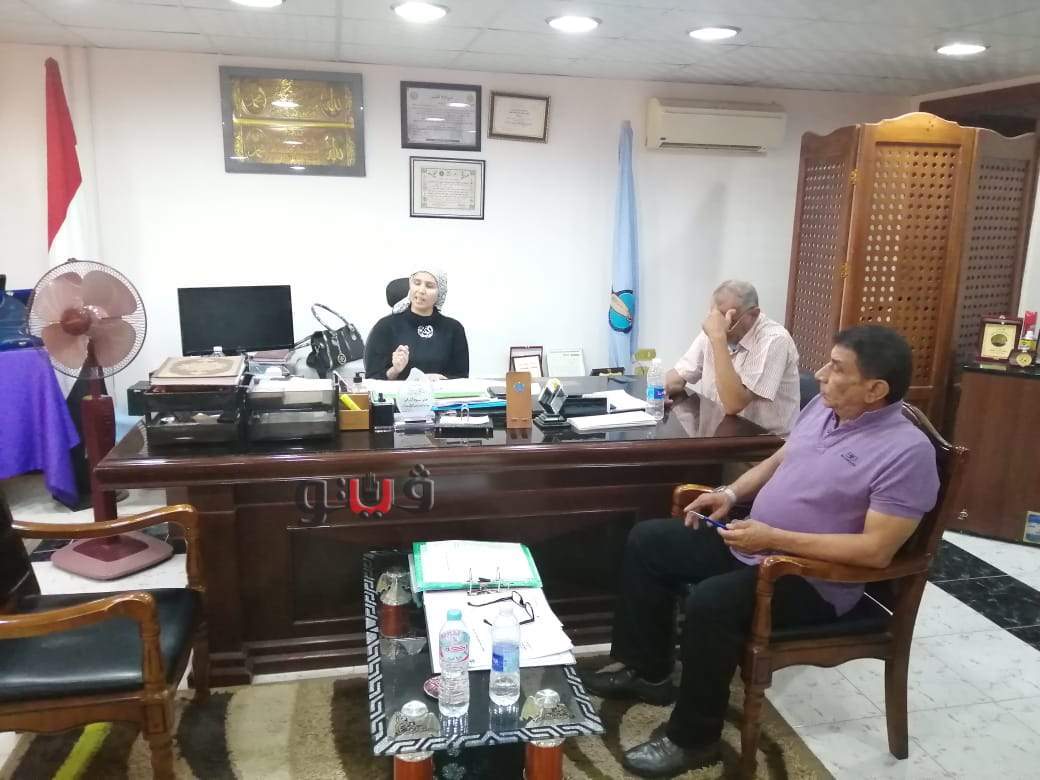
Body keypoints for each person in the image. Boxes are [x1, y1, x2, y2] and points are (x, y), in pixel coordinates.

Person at [583, 325, 940, 778]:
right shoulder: (824, 408)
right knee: (649, 541)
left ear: (875, 390)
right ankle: (647, 671)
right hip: (758, 543)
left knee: (712, 603)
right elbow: (779, 459)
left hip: (812, 578)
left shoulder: (907, 453)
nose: (820, 374)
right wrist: (729, 494)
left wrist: (774, 537)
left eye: (837, 368)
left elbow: (876, 551)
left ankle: (694, 739)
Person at [665, 280, 800, 435]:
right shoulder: (715, 328)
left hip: (765, 442)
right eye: (716, 317)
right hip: (720, 435)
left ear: (753, 314)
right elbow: (679, 375)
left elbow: (733, 404)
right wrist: (659, 392)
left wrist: (718, 338)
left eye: (730, 320)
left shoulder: (774, 339)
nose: (721, 324)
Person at [364, 268, 469, 380]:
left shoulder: (454, 329)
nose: (421, 290)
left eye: (429, 286)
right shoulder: (385, 327)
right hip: (399, 392)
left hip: (440, 391)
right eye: (417, 283)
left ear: (440, 292)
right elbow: (372, 379)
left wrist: (440, 379)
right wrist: (395, 370)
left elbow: (461, 377)